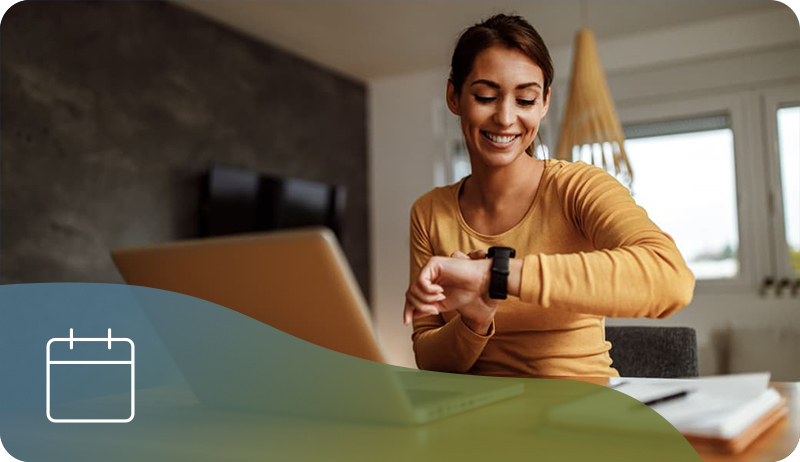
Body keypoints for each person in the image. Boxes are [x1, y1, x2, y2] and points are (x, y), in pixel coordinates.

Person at [402, 14, 695, 377]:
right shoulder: (429, 212)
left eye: (525, 100)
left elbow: (670, 278)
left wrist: (495, 275)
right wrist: (474, 320)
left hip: (580, 413)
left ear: (544, 103)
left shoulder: (578, 187)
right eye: (486, 96)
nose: (506, 118)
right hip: (481, 420)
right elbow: (429, 360)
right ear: (454, 96)